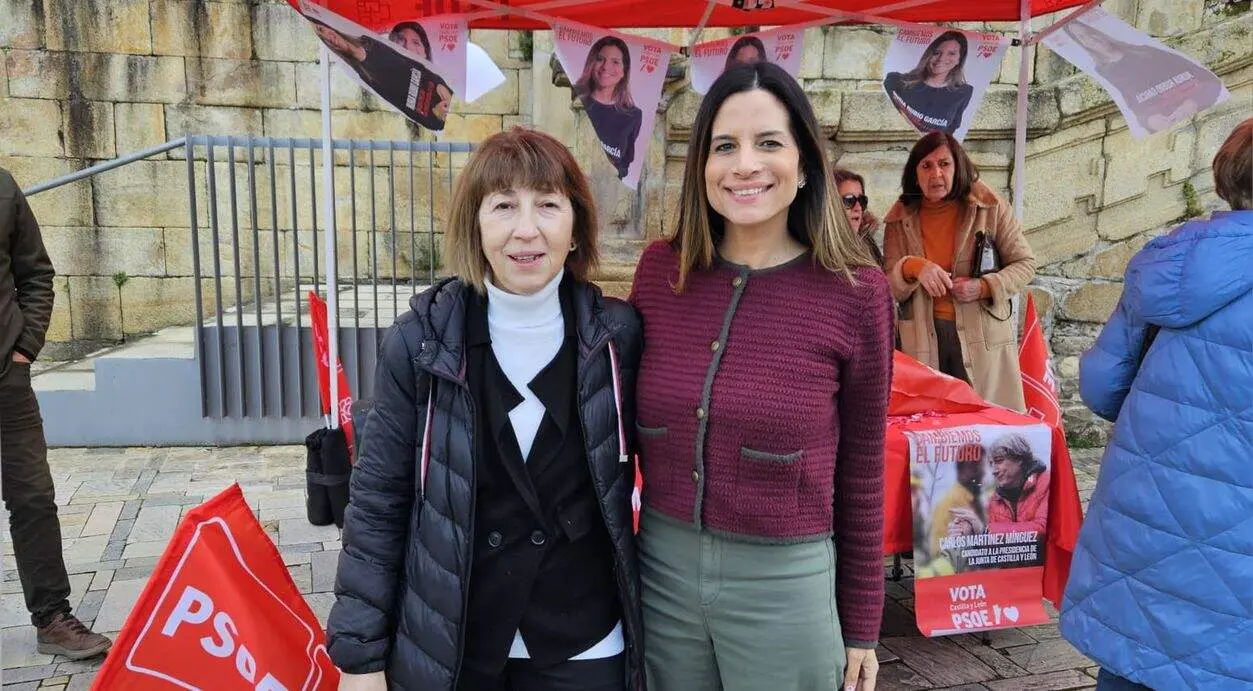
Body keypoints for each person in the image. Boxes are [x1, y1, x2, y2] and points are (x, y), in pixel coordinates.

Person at [327, 128, 645, 691]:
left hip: (585, 638)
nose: (527, 229)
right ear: (476, 226)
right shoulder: (420, 344)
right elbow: (379, 502)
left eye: (547, 204)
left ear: (576, 228)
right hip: (456, 639)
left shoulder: (617, 336)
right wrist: (360, 656)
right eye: (503, 206)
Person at [629, 62, 892, 691]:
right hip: (660, 574)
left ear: (804, 164)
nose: (745, 164)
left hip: (786, 585)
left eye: (768, 142)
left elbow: (861, 469)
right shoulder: (661, 275)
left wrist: (861, 625)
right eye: (725, 146)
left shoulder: (856, 293)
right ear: (702, 167)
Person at [1060, 118, 1253, 691]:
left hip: (1140, 521)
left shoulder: (1166, 261)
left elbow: (1099, 387)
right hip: (1235, 550)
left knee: (1132, 661)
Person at [0, 167, 112, 660]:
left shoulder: (2, 188)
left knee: (33, 498)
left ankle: (52, 618)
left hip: (7, 378)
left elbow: (36, 273)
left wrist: (24, 349)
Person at [882, 132, 1036, 411]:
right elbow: (889, 284)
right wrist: (913, 267)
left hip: (982, 340)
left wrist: (984, 287)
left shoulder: (990, 207)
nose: (936, 173)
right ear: (915, 174)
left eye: (944, 164)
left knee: (987, 429)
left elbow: (1025, 265)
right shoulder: (899, 217)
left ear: (958, 167)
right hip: (923, 339)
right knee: (934, 430)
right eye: (926, 166)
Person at [1062, 17, 1224, 133]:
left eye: (1090, 32)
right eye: (1082, 37)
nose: (1091, 39)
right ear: (1081, 44)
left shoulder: (1146, 51)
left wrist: (1193, 101)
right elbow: (1132, 107)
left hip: (1200, 113)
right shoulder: (1102, 74)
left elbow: (1208, 79)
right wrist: (1150, 121)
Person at [312, 21, 450, 131]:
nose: (328, 36)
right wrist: (434, 113)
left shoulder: (370, 42)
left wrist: (440, 87)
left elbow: (416, 67)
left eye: (323, 29)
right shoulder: (364, 73)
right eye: (321, 34)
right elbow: (406, 107)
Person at [574, 36, 644, 180]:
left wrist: (615, 174)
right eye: (600, 59)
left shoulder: (633, 115)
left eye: (615, 62)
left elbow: (626, 162)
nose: (606, 67)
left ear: (624, 70)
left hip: (612, 193)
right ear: (591, 63)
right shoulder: (578, 100)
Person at [882, 31, 975, 135]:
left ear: (959, 59)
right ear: (929, 55)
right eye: (936, 53)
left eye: (951, 53)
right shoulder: (896, 80)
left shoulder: (964, 92)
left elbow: (952, 129)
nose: (941, 58)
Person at [833, 167, 884, 266]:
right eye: (849, 200)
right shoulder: (822, 252)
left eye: (861, 200)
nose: (858, 207)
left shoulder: (866, 241)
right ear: (830, 204)